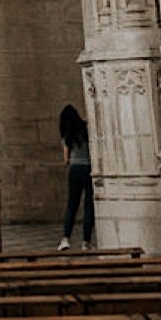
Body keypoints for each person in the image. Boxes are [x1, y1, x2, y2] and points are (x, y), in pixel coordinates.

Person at [58, 103, 95, 250]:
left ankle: (66, 238)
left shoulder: (68, 135)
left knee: (72, 205)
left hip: (75, 169)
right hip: (88, 168)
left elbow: (66, 159)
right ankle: (86, 241)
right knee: (88, 206)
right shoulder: (86, 130)